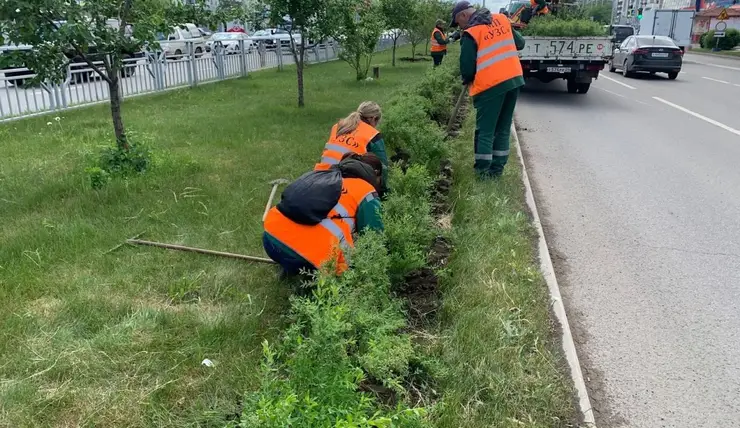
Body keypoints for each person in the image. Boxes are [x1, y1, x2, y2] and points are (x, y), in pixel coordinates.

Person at [264, 153, 384, 275]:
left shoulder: (322, 175)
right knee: (354, 264)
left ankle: (290, 266)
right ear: (373, 174)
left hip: (270, 240)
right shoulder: (366, 191)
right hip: (306, 258)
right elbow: (374, 236)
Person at [450, 1, 526, 179]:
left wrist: (467, 79)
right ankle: (496, 171)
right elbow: (520, 43)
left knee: (485, 130)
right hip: (514, 80)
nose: (460, 27)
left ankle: (482, 173)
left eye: (457, 23)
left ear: (463, 16)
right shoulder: (502, 19)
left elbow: (467, 69)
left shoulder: (471, 33)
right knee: (503, 128)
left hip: (491, 85)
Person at [315, 101, 389, 195]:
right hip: (344, 182)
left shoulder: (338, 127)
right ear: (373, 118)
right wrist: (383, 193)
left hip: (320, 175)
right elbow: (382, 168)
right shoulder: (373, 135)